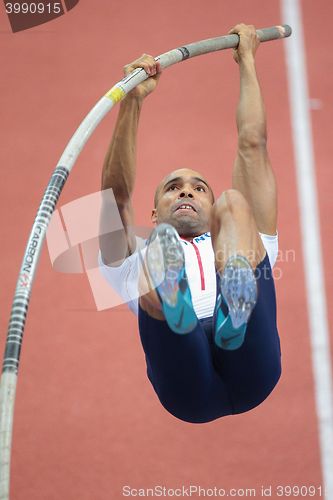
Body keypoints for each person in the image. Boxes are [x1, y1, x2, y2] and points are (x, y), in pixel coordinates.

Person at [98, 24, 281, 423]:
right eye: (173, 188)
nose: (185, 192)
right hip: (187, 387)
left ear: (209, 208)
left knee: (238, 202)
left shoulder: (245, 234)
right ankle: (173, 303)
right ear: (151, 211)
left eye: (198, 188)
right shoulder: (132, 261)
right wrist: (132, 100)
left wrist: (246, 59)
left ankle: (233, 308)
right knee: (155, 254)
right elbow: (115, 194)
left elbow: (253, 144)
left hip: (252, 361)